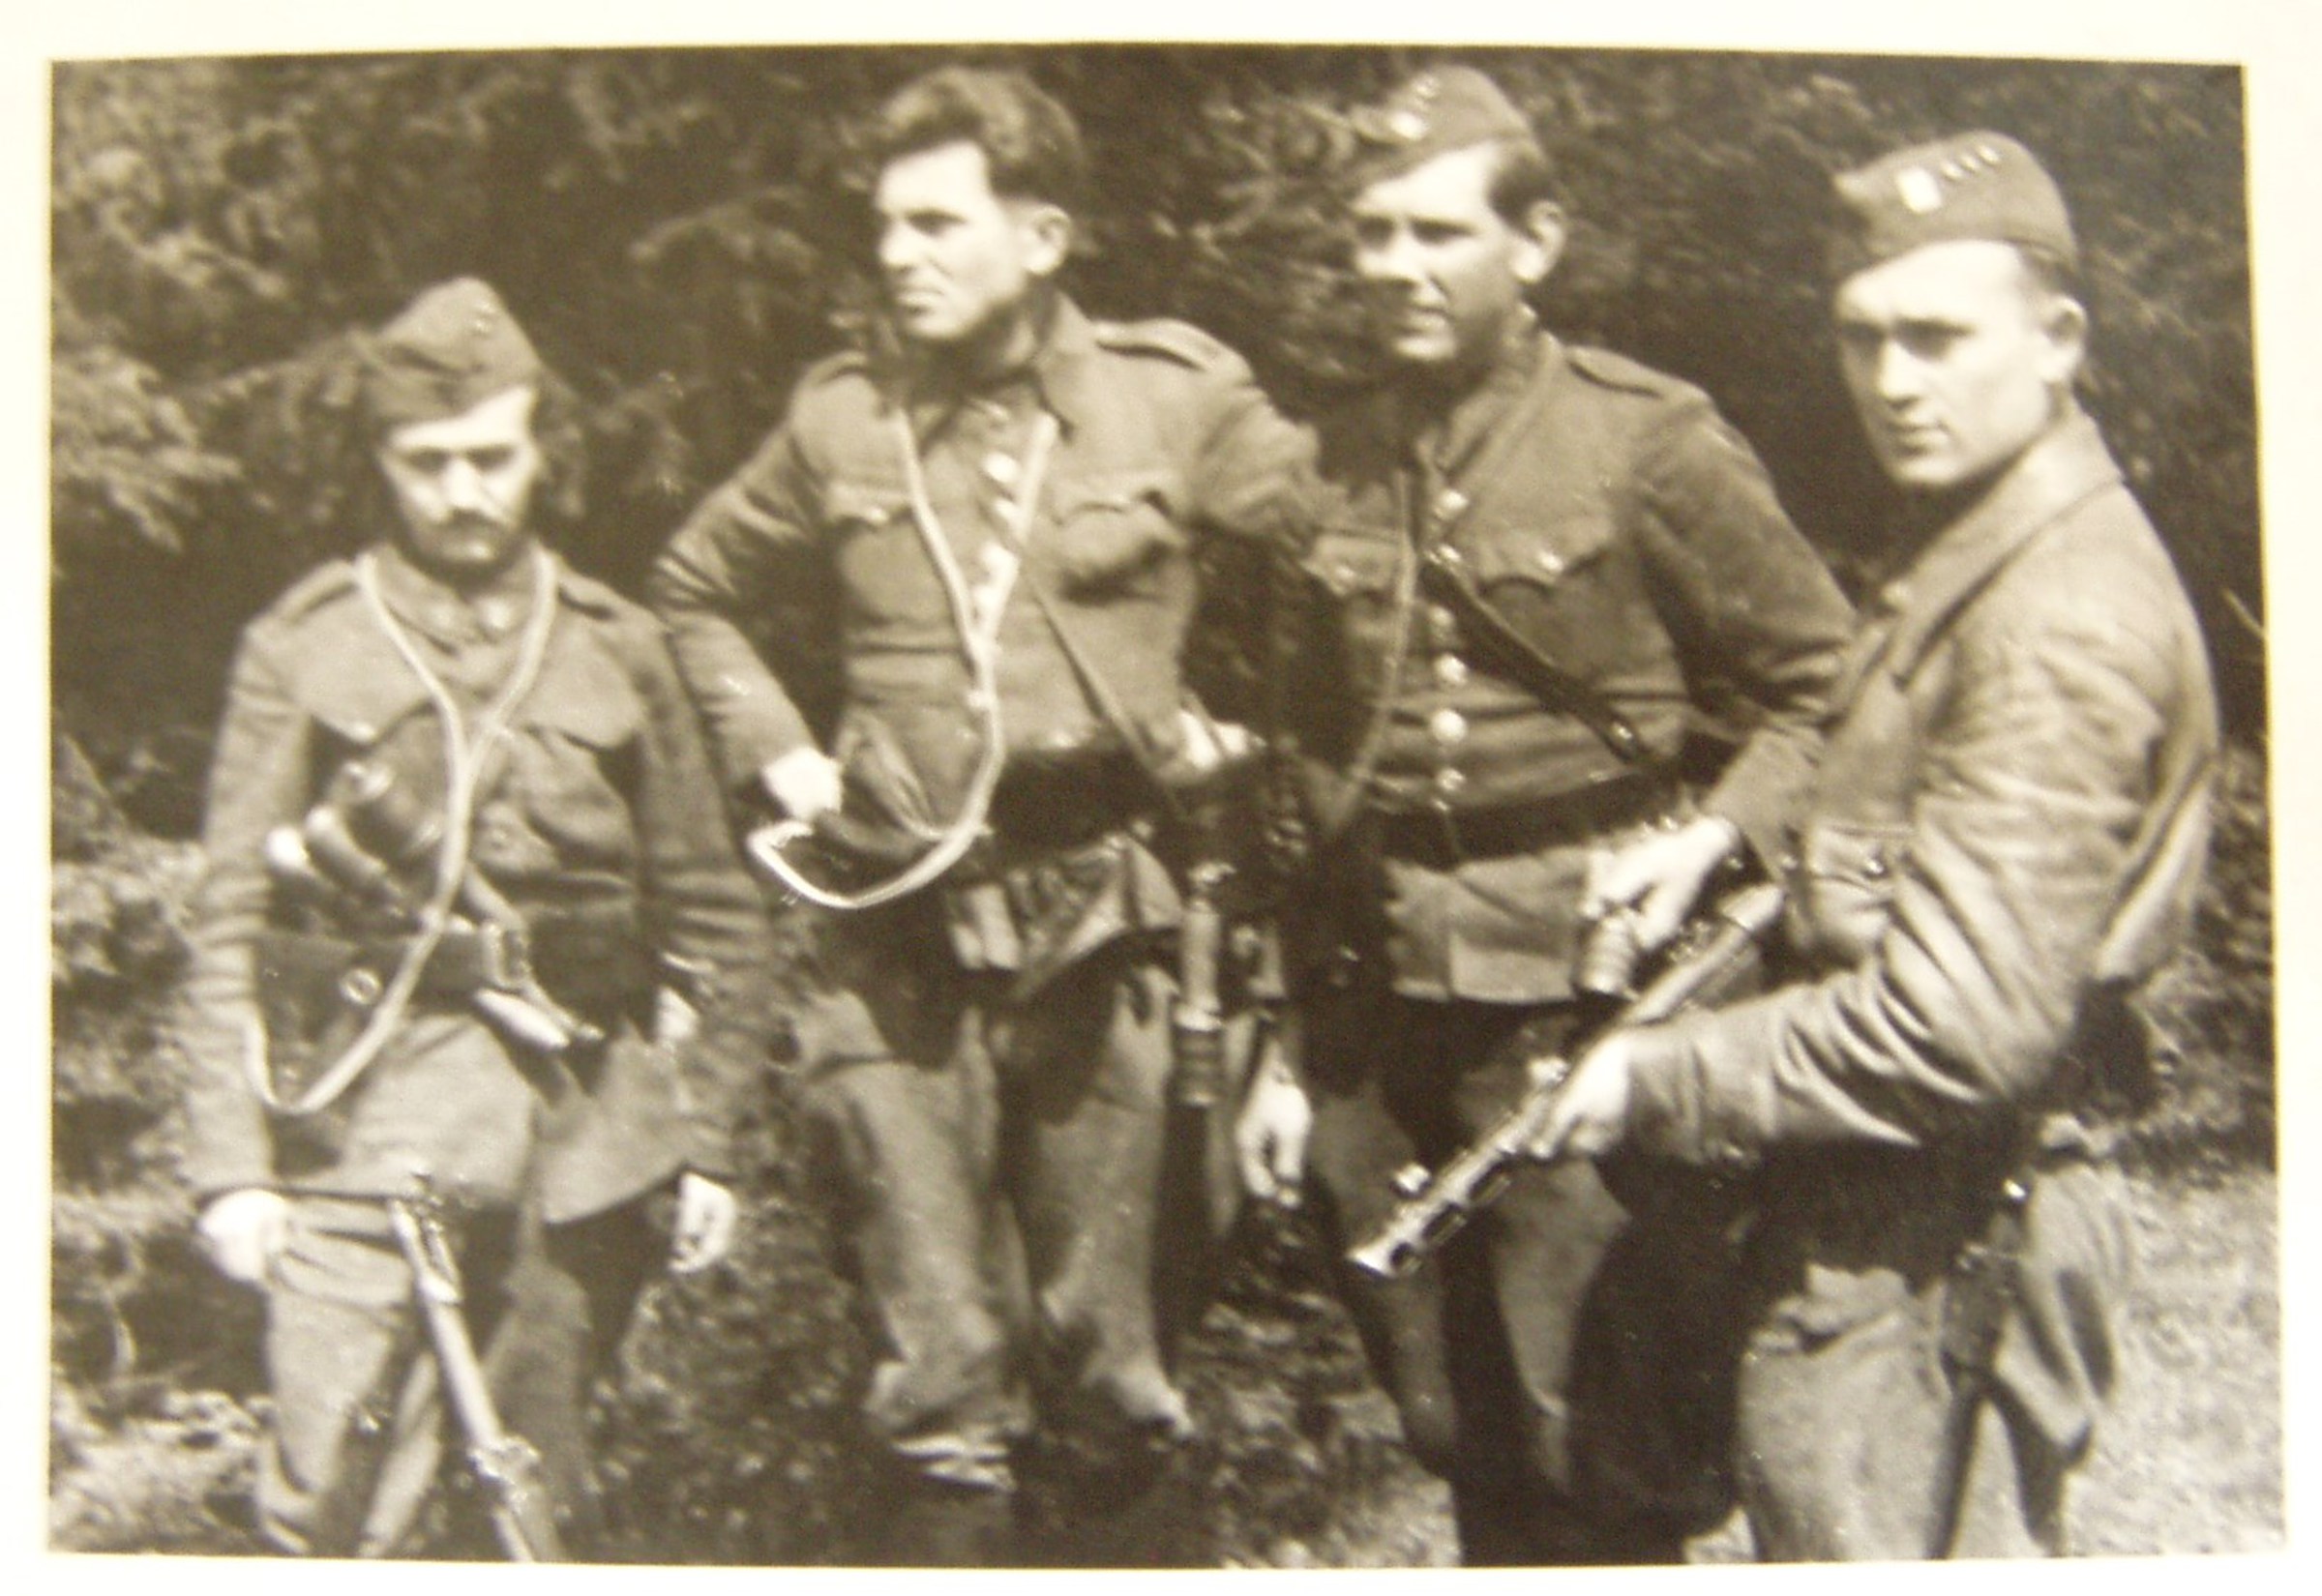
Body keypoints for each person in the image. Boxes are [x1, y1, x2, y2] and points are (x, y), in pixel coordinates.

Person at [646, 66, 1313, 1564]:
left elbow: (1346, 564)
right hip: (897, 949)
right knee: (935, 1386)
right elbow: (692, 587)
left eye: (937, 223)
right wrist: (782, 757)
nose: (898, 254)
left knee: (1115, 1377)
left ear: (1044, 235)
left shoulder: (1175, 397)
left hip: (1103, 935)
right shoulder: (845, 419)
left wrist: (1256, 736)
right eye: (886, 225)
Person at [1528, 133, 2219, 1559]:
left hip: (1953, 1237)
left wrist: (1660, 1075)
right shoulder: (1971, 552)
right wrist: (1725, 856)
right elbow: (1909, 851)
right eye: (1863, 336)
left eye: (1938, 337)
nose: (1893, 381)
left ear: (2059, 340)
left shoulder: (2057, 616)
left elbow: (1956, 1028)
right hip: (1893, 1212)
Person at [1231, 66, 1857, 1565]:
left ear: (1537, 244)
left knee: (1598, 1439)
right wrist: (1281, 1038)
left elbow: (1831, 688)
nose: (1398, 266)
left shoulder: (1647, 439)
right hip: (1387, 1019)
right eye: (1374, 233)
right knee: (1455, 1418)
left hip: (1583, 1013)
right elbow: (1304, 775)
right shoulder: (1328, 464)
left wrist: (1717, 832)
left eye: (1438, 232)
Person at [175, 278, 776, 1559]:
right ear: (383, 462)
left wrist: (709, 1140)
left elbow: (715, 910)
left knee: (532, 1510)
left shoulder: (618, 645)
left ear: (540, 451)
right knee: (330, 1504)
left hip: (582, 1140)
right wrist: (232, 1167)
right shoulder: (306, 642)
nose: (464, 491)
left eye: (492, 458)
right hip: (364, 1122)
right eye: (429, 461)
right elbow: (228, 916)